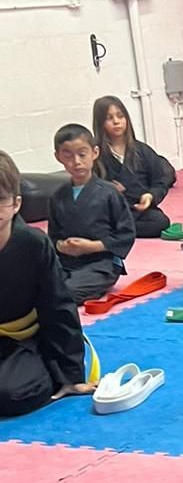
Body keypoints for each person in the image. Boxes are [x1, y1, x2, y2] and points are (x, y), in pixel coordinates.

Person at [0, 150, 93, 416]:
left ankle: (47, 369)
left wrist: (71, 373)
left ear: (16, 203)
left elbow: (58, 306)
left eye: (0, 200)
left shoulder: (33, 244)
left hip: (24, 340)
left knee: (11, 395)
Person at [47, 124, 136, 305]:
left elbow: (126, 234)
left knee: (66, 292)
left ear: (95, 153)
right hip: (67, 262)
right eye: (68, 155)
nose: (76, 161)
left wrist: (93, 246)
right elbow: (53, 236)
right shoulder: (57, 196)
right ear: (58, 157)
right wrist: (61, 245)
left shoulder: (109, 193)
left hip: (102, 263)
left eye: (82, 154)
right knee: (36, 286)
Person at [92, 95, 176, 238]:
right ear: (100, 123)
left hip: (138, 210)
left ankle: (119, 231)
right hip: (111, 212)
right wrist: (108, 189)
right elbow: (90, 186)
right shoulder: (96, 155)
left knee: (161, 222)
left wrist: (150, 196)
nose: (116, 122)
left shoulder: (142, 150)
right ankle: (116, 229)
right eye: (109, 118)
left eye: (120, 116)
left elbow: (159, 181)